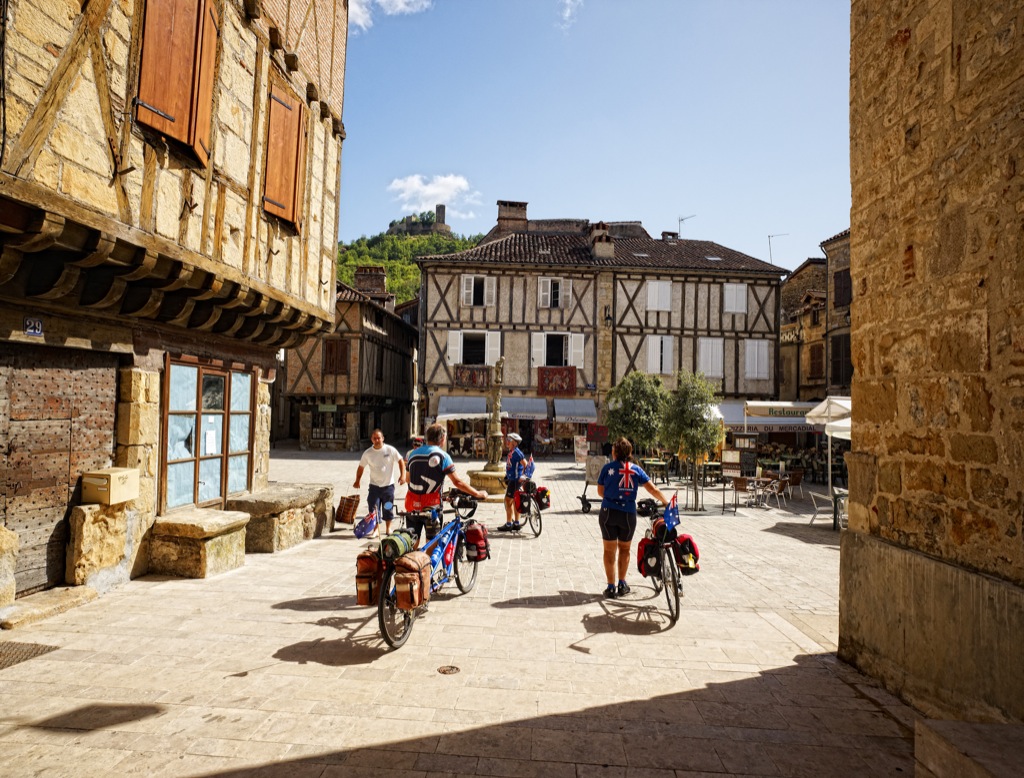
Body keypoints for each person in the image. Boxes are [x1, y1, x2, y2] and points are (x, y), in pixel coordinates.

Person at [596, 437, 669, 599]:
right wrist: (666, 502)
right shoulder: (636, 470)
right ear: (629, 453)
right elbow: (653, 489)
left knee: (609, 551)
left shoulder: (607, 468)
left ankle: (610, 586)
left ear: (614, 452)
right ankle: (622, 583)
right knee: (625, 549)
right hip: (628, 515)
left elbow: (600, 492)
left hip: (608, 512)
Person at [403, 423, 488, 547]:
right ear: (442, 439)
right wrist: (477, 493)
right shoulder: (443, 456)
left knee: (412, 543)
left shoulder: (412, 454)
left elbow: (408, 479)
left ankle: (412, 564)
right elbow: (457, 482)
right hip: (431, 507)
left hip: (412, 505)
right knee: (432, 544)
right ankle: (428, 566)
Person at [352, 429, 405, 535]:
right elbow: (361, 467)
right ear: (371, 439)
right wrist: (357, 480)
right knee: (373, 508)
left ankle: (388, 528)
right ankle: (376, 529)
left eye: (378, 438)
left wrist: (402, 475)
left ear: (383, 438)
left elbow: (400, 461)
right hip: (374, 486)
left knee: (388, 507)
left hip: (388, 486)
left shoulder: (390, 450)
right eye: (374, 438)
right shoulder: (368, 453)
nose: (377, 440)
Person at [498, 432, 526, 532]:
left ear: (514, 442)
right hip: (512, 479)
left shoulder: (517, 453)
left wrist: (522, 476)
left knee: (508, 501)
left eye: (509, 440)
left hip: (515, 481)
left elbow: (525, 464)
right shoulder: (512, 451)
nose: (507, 441)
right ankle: (516, 523)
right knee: (515, 501)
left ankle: (509, 524)